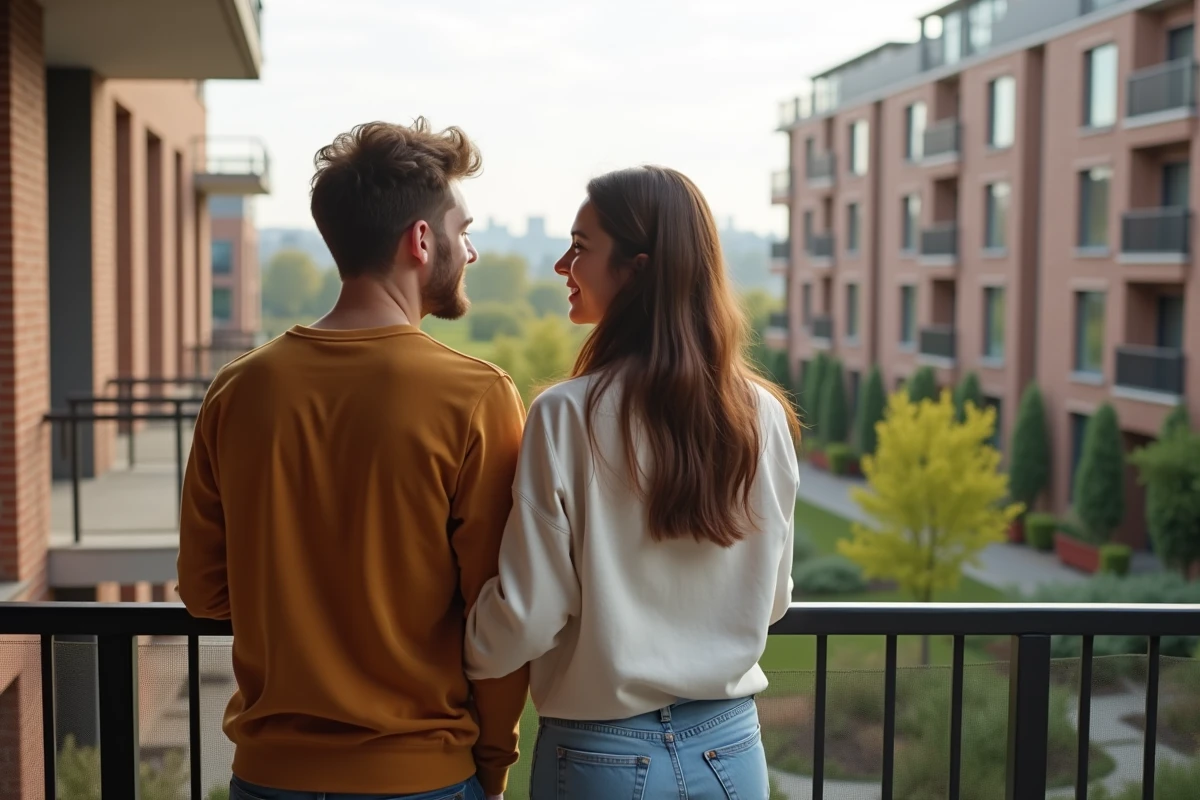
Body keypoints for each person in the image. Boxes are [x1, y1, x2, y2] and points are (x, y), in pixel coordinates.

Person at [177, 119, 528, 800]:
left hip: (268, 777)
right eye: (465, 229)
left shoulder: (239, 388)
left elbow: (205, 592)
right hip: (421, 776)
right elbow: (498, 613)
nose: (473, 250)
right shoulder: (476, 395)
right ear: (422, 242)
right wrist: (492, 763)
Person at [464, 166, 800, 799]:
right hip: (732, 753)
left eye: (581, 247)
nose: (563, 264)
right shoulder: (763, 416)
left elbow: (529, 613)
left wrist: (456, 647)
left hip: (604, 758)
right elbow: (774, 599)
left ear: (637, 269)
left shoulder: (565, 415)